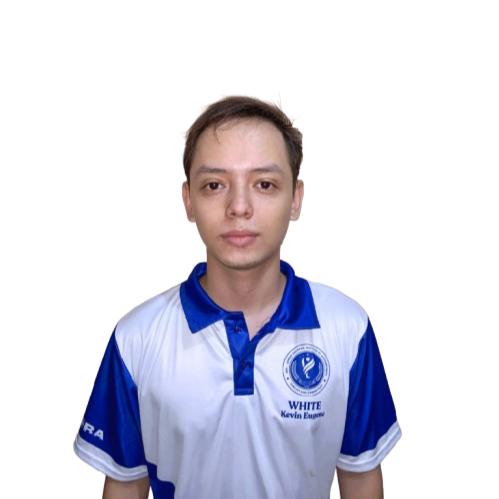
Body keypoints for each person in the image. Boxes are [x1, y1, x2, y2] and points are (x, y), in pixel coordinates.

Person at [73, 93, 402, 499]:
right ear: (188, 201)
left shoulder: (347, 327)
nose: (239, 207)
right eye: (215, 185)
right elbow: (125, 484)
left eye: (264, 184)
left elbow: (360, 477)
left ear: (296, 199)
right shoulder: (136, 337)